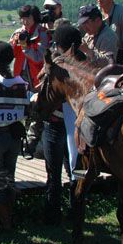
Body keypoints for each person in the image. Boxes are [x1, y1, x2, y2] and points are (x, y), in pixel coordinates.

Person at [0, 41, 30, 229]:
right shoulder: (21, 84)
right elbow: (26, 111)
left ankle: (5, 223)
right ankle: (10, 216)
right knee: (10, 177)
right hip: (15, 137)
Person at [42, 23, 87, 224]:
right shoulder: (86, 65)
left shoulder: (57, 65)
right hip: (79, 125)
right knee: (76, 168)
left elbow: (43, 86)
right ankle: (76, 208)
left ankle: (53, 212)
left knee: (53, 171)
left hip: (54, 121)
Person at [11, 4, 50, 90]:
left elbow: (39, 58)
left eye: (28, 18)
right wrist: (14, 43)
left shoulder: (42, 34)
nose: (25, 21)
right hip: (19, 75)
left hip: (37, 77)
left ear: (35, 17)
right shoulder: (18, 33)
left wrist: (25, 46)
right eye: (22, 18)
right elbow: (10, 55)